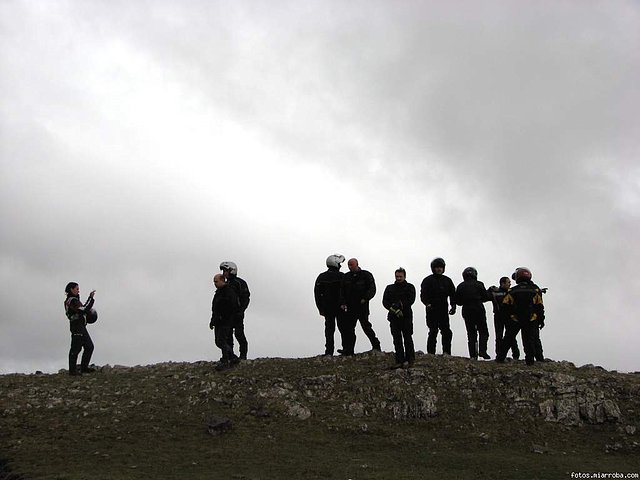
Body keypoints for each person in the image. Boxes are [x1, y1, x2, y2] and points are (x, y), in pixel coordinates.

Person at [496, 267, 545, 366]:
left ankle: (500, 358)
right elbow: (540, 307)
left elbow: (505, 307)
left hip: (515, 319)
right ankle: (530, 361)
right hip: (530, 319)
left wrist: (509, 318)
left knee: (508, 339)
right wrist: (541, 320)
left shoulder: (512, 291)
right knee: (528, 341)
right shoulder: (535, 291)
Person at [314, 254, 353, 355]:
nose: (340, 265)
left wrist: (320, 308)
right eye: (339, 263)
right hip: (340, 307)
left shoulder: (321, 277)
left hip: (327, 308)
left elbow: (317, 294)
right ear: (335, 264)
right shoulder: (342, 276)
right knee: (343, 328)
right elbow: (347, 292)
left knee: (329, 330)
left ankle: (329, 351)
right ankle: (346, 349)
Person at [341, 258, 381, 352]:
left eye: (351, 265)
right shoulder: (346, 277)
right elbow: (341, 291)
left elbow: (372, 289)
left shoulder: (366, 275)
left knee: (366, 327)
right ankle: (348, 350)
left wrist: (365, 298)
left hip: (362, 307)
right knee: (349, 329)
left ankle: (376, 346)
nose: (350, 267)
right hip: (350, 307)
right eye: (349, 265)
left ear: (357, 264)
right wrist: (343, 302)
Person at [420, 257, 456, 355]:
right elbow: (423, 294)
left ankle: (447, 352)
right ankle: (431, 353)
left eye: (441, 267)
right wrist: (427, 304)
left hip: (443, 309)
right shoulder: (427, 280)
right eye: (437, 267)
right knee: (433, 331)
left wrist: (453, 306)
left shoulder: (447, 281)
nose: (439, 269)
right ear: (433, 268)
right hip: (431, 309)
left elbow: (453, 294)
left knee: (446, 331)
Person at [382, 267, 416, 368]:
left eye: (400, 276)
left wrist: (400, 305)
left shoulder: (410, 287)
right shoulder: (389, 288)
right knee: (396, 339)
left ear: (404, 276)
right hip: (393, 317)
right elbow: (385, 302)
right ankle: (399, 360)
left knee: (407, 338)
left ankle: (410, 359)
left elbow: (411, 300)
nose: (398, 278)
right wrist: (394, 309)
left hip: (406, 316)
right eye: (397, 276)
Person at [455, 267, 492, 360]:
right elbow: (485, 297)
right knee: (483, 331)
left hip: (466, 309)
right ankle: (482, 351)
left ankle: (473, 355)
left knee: (471, 333)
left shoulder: (460, 286)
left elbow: (458, 301)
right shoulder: (479, 284)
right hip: (478, 307)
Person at [64, 282, 96, 376]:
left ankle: (84, 368)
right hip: (76, 326)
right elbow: (84, 309)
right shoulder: (71, 301)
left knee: (89, 346)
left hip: (81, 326)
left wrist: (90, 298)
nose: (78, 290)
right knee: (75, 348)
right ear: (71, 289)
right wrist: (91, 298)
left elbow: (83, 308)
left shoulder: (75, 300)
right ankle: (72, 371)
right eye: (77, 289)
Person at [220, 261, 250, 360]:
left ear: (231, 271)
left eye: (225, 271)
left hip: (237, 314)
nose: (224, 273)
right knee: (228, 336)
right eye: (223, 271)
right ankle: (230, 356)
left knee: (239, 334)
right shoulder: (225, 284)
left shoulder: (239, 283)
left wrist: (241, 311)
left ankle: (243, 355)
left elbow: (246, 298)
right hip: (227, 315)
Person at [210, 273, 240, 370]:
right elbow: (215, 308)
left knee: (222, 340)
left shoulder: (228, 291)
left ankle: (226, 360)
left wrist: (224, 317)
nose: (214, 283)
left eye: (216, 281)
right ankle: (232, 357)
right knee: (218, 341)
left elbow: (231, 306)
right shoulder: (218, 293)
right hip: (218, 321)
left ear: (222, 280)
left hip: (225, 321)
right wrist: (213, 320)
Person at [488, 277, 520, 360]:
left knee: (510, 336)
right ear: (502, 283)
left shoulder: (511, 292)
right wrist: (489, 290)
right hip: (499, 316)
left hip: (509, 316)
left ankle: (515, 355)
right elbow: (485, 296)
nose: (510, 284)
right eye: (508, 282)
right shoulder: (495, 291)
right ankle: (500, 355)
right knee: (499, 336)